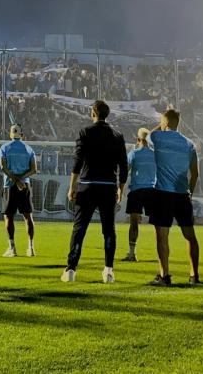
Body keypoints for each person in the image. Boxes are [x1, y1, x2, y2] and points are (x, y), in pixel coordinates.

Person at [61, 100, 127, 283]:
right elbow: (124, 165)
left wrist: (72, 186)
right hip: (108, 187)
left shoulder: (85, 132)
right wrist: (121, 189)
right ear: (107, 115)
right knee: (109, 230)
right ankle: (108, 271)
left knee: (79, 229)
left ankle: (71, 270)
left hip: (87, 185)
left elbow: (77, 161)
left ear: (93, 113)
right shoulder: (118, 135)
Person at [147, 109, 201, 287]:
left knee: (162, 235)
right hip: (182, 194)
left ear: (166, 122)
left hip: (163, 193)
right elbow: (195, 173)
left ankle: (165, 275)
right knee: (190, 235)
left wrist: (161, 125)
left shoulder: (158, 137)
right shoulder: (189, 144)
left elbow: (147, 134)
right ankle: (194, 275)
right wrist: (190, 192)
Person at [0, 124, 38, 257]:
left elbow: (3, 167)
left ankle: (12, 248)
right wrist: (21, 179)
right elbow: (34, 169)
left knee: (8, 216)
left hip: (9, 185)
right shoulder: (28, 148)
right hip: (25, 185)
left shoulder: (4, 147)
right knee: (28, 216)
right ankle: (31, 247)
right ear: (22, 134)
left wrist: (15, 180)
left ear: (10, 134)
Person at [122, 128, 156, 262]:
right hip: (152, 191)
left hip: (136, 191)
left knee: (134, 223)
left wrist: (120, 189)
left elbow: (125, 172)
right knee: (158, 225)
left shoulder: (134, 154)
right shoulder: (155, 155)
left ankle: (132, 254)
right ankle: (161, 253)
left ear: (138, 140)